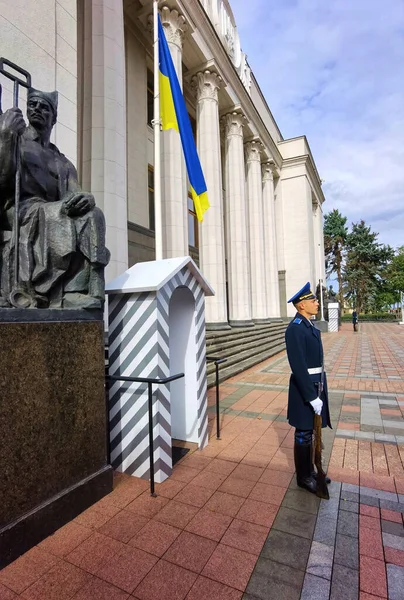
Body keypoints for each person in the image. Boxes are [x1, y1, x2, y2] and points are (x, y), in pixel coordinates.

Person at [0, 87, 109, 309]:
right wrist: (5, 136)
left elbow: (74, 194)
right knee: (55, 212)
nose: (37, 109)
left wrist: (85, 198)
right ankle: (51, 291)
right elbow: (2, 180)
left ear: (54, 117)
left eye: (44, 107)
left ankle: (84, 290)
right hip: (19, 209)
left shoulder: (63, 162)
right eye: (32, 105)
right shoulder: (16, 140)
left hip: (50, 210)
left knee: (93, 215)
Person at [285, 282, 332, 494]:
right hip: (305, 388)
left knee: (311, 431)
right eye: (313, 300)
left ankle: (311, 470)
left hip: (316, 384)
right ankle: (303, 477)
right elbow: (298, 366)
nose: (317, 303)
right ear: (301, 305)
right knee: (303, 432)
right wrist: (311, 396)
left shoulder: (309, 326)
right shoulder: (295, 329)